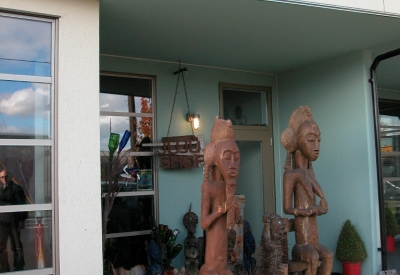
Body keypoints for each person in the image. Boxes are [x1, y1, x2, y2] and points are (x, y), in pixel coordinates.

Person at [281, 106, 333, 275]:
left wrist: (320, 208)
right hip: (301, 245)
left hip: (314, 240)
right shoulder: (291, 174)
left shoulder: (310, 172)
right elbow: (287, 208)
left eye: (318, 140)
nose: (316, 146)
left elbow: (323, 202)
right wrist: (305, 211)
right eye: (311, 140)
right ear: (298, 141)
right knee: (313, 257)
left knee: (328, 255)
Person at [199, 117, 240, 275]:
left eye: (236, 158)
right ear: (214, 158)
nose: (232, 164)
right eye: (227, 157)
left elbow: (234, 220)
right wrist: (221, 209)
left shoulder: (227, 187)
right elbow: (203, 223)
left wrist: (234, 208)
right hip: (211, 265)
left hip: (224, 264)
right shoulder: (208, 187)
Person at [0, 166, 27, 271]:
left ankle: (19, 267)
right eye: (1, 177)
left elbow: (22, 205)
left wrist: (22, 220)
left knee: (16, 245)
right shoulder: (1, 189)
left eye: (5, 177)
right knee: (2, 246)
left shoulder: (17, 188)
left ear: (10, 176)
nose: (4, 179)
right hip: (3, 222)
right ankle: (4, 268)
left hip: (14, 221)